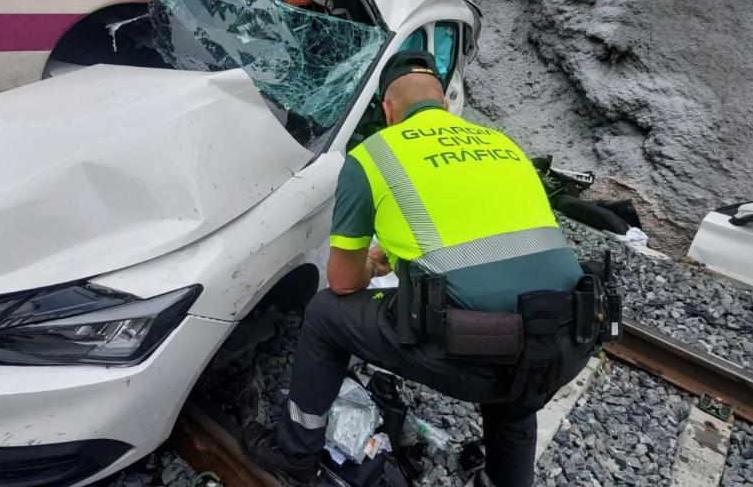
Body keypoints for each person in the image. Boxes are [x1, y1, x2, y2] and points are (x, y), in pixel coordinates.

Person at [245, 50, 591, 487]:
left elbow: (343, 281)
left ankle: (295, 455)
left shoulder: (374, 155)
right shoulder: (503, 144)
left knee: (324, 315)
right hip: (570, 337)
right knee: (518, 378)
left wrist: (373, 263)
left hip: (477, 349)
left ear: (389, 112)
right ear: (445, 105)